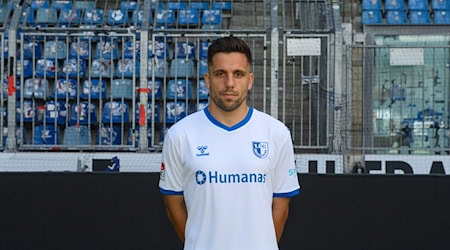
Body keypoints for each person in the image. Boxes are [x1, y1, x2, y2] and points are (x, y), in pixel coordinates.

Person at [159, 36, 300, 250]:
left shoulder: (276, 133)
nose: (230, 83)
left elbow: (280, 205)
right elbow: (173, 204)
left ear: (250, 80)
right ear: (207, 79)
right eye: (220, 74)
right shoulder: (180, 134)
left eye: (238, 74)